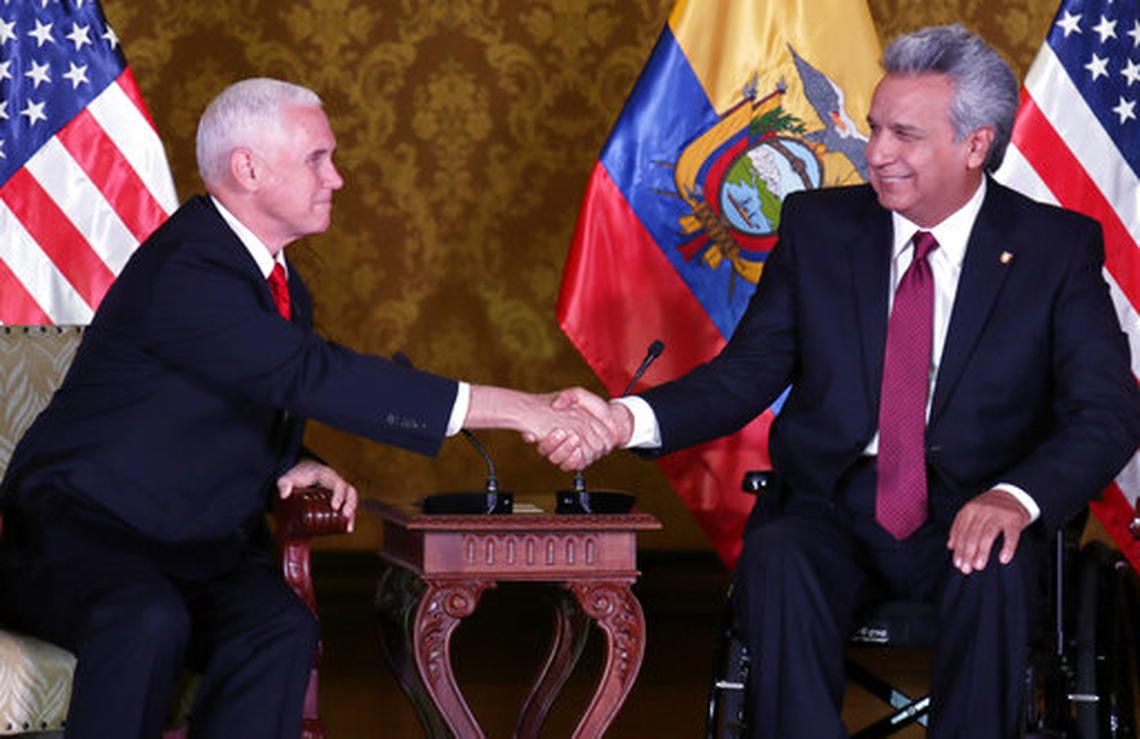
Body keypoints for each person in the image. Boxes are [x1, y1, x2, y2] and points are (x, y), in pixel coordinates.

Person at [546, 24, 1140, 738]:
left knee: (996, 567)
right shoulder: (818, 227)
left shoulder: (1055, 247)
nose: (877, 153)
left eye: (905, 136)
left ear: (976, 144)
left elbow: (1107, 412)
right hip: (831, 503)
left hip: (980, 505)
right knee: (778, 555)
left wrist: (1017, 498)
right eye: (875, 128)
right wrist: (621, 419)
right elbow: (744, 376)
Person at [0, 78, 610, 739]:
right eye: (318, 158)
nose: (337, 178)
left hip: (184, 544)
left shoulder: (275, 277)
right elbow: (310, 372)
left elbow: (227, 393)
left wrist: (296, 458)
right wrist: (522, 409)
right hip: (74, 538)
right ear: (249, 168)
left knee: (278, 626)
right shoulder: (189, 267)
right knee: (147, 617)